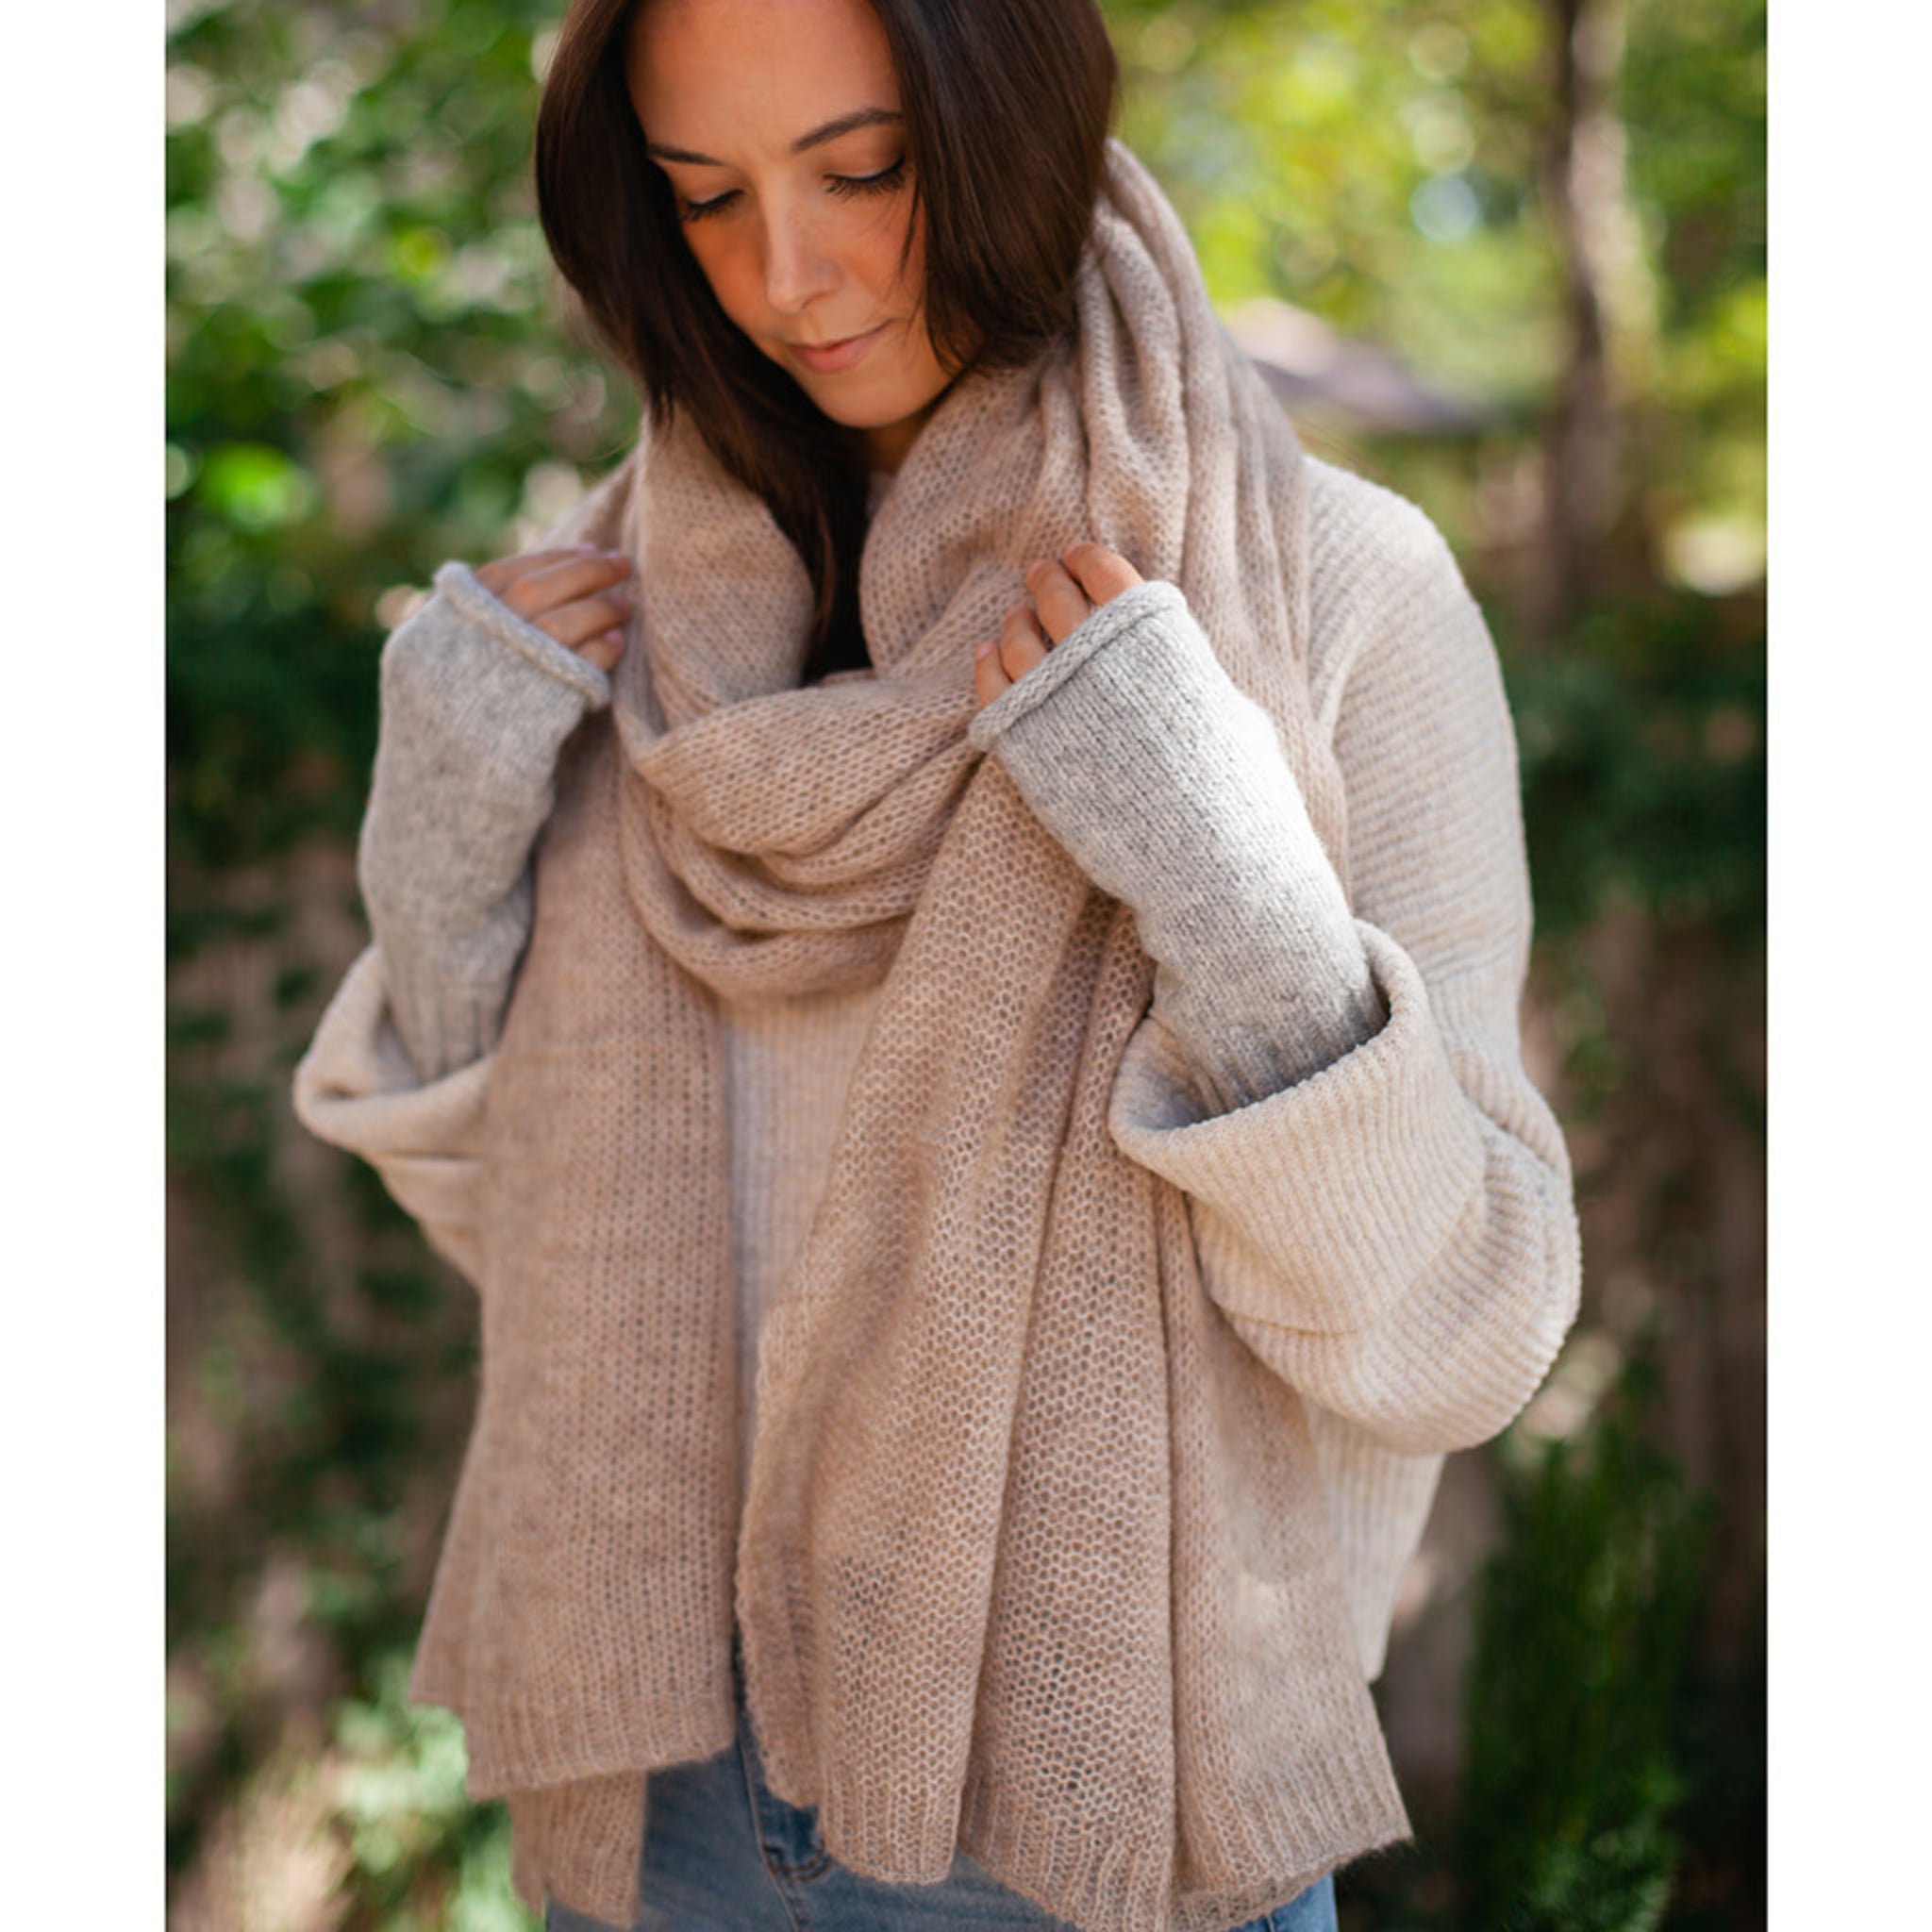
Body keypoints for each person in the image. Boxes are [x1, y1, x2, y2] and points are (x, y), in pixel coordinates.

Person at [293, 0, 1581, 1927]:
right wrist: (445, 820)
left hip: (1101, 1816)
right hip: (665, 1812)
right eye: (705, 199)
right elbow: (532, 1233)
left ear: (1007, 124)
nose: (785, 276)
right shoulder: (626, 627)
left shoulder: (1334, 593)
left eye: (860, 170)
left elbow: (1456, 1323)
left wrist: (1217, 871)